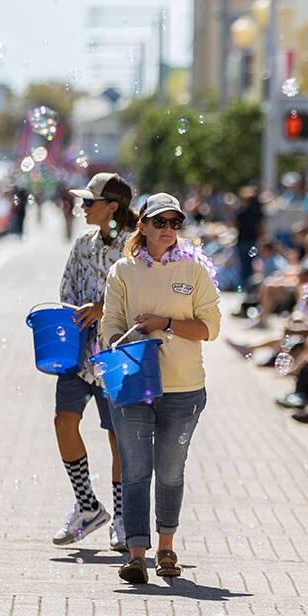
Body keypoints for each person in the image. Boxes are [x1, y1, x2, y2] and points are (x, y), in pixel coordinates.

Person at [100, 193, 221, 584]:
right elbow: (110, 322)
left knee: (170, 472)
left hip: (184, 389)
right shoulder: (123, 270)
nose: (167, 229)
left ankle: (166, 548)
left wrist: (164, 323)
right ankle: (137, 555)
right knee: (136, 469)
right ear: (143, 225)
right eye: (159, 222)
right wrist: (121, 338)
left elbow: (210, 328)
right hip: (133, 383)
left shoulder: (195, 269)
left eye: (174, 222)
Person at [51, 172, 137, 551]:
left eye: (90, 202)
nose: (82, 208)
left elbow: (142, 301)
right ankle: (87, 506)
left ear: (112, 207)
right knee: (63, 422)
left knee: (118, 436)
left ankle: (121, 517)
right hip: (78, 354)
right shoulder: (83, 244)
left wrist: (103, 310)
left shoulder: (136, 248)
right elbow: (66, 289)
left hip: (117, 354)